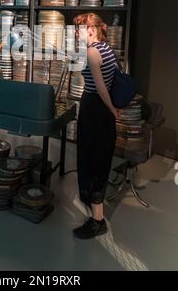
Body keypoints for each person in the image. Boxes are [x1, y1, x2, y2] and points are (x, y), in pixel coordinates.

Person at [73, 12, 118, 240]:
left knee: (90, 159)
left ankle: (98, 221)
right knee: (100, 157)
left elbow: (100, 89)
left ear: (91, 30)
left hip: (95, 108)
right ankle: (95, 207)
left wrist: (111, 109)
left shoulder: (92, 52)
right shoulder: (107, 49)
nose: (76, 33)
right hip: (103, 111)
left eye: (79, 29)